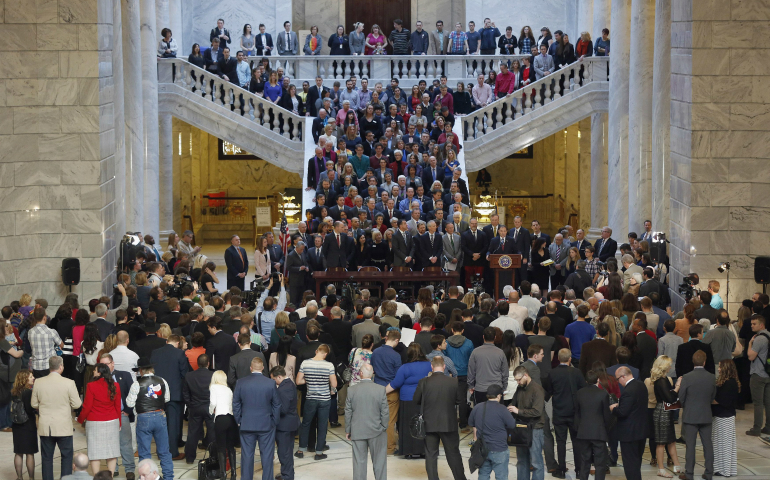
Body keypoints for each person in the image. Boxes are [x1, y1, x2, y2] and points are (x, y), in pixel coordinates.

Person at [414, 356, 467, 480]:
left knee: (431, 455)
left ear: (432, 367)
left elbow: (416, 400)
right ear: (444, 367)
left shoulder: (424, 382)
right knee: (453, 453)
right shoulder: (453, 382)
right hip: (448, 423)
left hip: (429, 423)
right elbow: (461, 401)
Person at [31, 356, 82, 480]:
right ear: (61, 367)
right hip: (63, 426)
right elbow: (77, 404)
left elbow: (34, 404)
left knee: (47, 458)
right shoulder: (69, 383)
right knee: (66, 457)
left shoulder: (39, 382)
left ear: (50, 367)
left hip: (46, 426)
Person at [126, 356, 173, 480]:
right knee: (164, 452)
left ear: (140, 370)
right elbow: (167, 399)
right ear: (152, 369)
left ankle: (145, 477)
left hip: (143, 417)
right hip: (160, 415)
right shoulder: (162, 381)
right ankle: (168, 477)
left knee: (145, 453)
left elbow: (130, 404)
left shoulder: (137, 384)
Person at [234, 356, 281, 480]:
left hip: (246, 424)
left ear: (251, 368)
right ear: (263, 368)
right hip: (266, 425)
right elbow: (277, 404)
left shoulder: (241, 382)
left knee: (247, 456)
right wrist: (274, 421)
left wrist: (239, 420)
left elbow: (236, 403)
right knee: (267, 456)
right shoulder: (271, 383)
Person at [546, 349, 587, 478]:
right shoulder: (577, 373)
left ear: (558, 358)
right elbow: (583, 391)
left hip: (559, 411)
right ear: (570, 359)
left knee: (561, 442)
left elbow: (549, 392)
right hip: (574, 412)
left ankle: (561, 470)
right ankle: (579, 470)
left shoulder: (553, 373)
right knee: (576, 442)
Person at [385, 343, 432, 458]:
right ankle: (423, 450)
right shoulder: (429, 365)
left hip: (407, 400)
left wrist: (381, 391)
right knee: (424, 425)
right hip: (424, 399)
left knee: (407, 426)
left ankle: (409, 451)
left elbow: (395, 384)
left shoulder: (405, 367)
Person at [345, 363, 389, 480]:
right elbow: (385, 412)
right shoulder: (380, 390)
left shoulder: (351, 390)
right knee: (379, 462)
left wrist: (348, 430)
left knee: (359, 463)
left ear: (360, 374)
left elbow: (348, 412)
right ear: (372, 374)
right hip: (377, 431)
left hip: (358, 430)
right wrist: (383, 427)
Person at [77, 362, 122, 474]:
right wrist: (119, 423)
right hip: (112, 421)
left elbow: (87, 406)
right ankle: (110, 476)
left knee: (94, 452)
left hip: (95, 422)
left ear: (100, 372)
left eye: (95, 370)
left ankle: (97, 477)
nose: (93, 371)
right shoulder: (115, 385)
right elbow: (117, 406)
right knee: (112, 451)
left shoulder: (91, 385)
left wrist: (80, 419)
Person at [678, 350, 716, 480]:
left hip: (690, 416)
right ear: (704, 362)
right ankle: (709, 473)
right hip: (706, 414)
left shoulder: (687, 377)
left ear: (693, 362)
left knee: (690, 446)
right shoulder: (711, 377)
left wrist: (686, 406)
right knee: (708, 445)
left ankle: (689, 474)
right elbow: (713, 396)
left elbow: (681, 397)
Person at [150, 334, 189, 461]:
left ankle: (160, 450)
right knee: (172, 424)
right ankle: (172, 452)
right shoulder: (179, 354)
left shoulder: (155, 353)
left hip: (157, 392)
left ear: (167, 341)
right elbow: (185, 374)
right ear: (177, 343)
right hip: (174, 394)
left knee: (159, 423)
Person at [295, 344, 336, 460]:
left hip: (310, 398)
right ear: (326, 354)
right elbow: (334, 384)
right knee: (322, 425)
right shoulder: (329, 365)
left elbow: (298, 381)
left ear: (316, 351)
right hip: (325, 399)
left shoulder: (305, 363)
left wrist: (308, 380)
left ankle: (300, 450)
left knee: (306, 423)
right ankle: (319, 452)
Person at [467, 383, 516, 480]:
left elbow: (471, 422)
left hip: (483, 449)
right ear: (499, 396)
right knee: (501, 476)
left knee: (483, 475)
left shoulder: (478, 407)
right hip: (499, 449)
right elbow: (512, 425)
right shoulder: (502, 409)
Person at [646, 356, 682, 478]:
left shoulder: (664, 379)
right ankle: (661, 469)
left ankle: (677, 465)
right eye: (669, 365)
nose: (670, 367)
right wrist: (677, 387)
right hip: (662, 412)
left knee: (671, 440)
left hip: (665, 411)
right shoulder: (661, 381)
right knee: (661, 443)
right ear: (664, 366)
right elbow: (670, 398)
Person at [609, 366, 647, 480]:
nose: (617, 382)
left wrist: (613, 408)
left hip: (629, 433)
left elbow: (623, 412)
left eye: (617, 379)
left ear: (623, 376)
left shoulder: (628, 391)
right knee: (637, 462)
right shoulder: (641, 385)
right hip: (641, 431)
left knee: (630, 464)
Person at [508, 365, 546, 480]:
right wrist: (509, 407)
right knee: (522, 461)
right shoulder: (520, 388)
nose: (518, 382)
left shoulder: (537, 389)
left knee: (536, 462)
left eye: (519, 379)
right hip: (521, 428)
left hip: (535, 428)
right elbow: (513, 402)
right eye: (516, 380)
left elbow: (537, 412)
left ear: (526, 375)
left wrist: (518, 411)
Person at [575, 369, 612, 480]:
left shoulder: (579, 393)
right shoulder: (603, 394)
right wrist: (607, 429)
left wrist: (577, 429)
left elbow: (577, 413)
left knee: (584, 461)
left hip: (583, 432)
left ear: (586, 381)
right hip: (599, 432)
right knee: (600, 463)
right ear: (598, 380)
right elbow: (606, 415)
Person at [370, 329, 403, 455]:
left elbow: (373, 370)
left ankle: (376, 445)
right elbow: (398, 376)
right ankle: (389, 447)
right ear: (396, 340)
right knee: (390, 420)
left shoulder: (375, 352)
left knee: (377, 418)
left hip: (377, 388)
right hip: (391, 391)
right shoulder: (396, 356)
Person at [182, 354, 214, 464]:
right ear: (208, 363)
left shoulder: (189, 375)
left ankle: (190, 458)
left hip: (195, 407)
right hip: (210, 407)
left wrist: (190, 404)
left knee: (192, 433)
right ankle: (213, 457)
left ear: (197, 363)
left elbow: (185, 393)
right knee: (212, 432)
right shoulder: (213, 375)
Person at [270, 366, 299, 480]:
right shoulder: (287, 385)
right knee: (286, 451)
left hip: (285, 425)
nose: (273, 382)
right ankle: (286, 473)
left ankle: (287, 476)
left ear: (279, 377)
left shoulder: (284, 388)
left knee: (284, 453)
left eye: (273, 379)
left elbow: (283, 409)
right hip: (288, 424)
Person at [712, 359, 739, 477]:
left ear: (726, 368)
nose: (718, 369)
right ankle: (723, 468)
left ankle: (725, 470)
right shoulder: (728, 382)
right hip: (722, 416)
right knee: (721, 444)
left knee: (725, 445)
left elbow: (721, 401)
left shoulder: (729, 383)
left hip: (724, 417)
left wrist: (706, 400)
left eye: (721, 367)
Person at [209, 370, 238, 480]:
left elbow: (213, 403)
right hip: (230, 418)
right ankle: (234, 473)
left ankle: (223, 474)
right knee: (231, 447)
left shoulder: (213, 387)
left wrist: (210, 411)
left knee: (221, 448)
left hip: (220, 418)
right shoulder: (228, 389)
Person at [467, 327, 508, 404]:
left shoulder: (475, 352)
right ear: (495, 337)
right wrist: (504, 387)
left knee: (481, 413)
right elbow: (505, 373)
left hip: (480, 389)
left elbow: (471, 371)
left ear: (483, 337)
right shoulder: (500, 353)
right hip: (497, 389)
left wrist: (471, 385)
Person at [11, 369, 37, 480]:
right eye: (31, 376)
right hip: (28, 425)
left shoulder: (14, 392)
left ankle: (19, 477)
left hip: (17, 425)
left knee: (18, 452)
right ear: (24, 379)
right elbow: (29, 409)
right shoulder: (28, 392)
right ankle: (31, 478)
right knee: (29, 453)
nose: (33, 378)